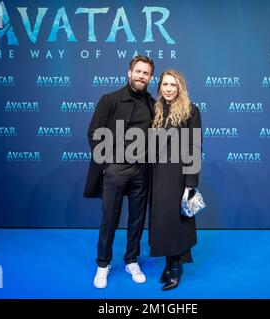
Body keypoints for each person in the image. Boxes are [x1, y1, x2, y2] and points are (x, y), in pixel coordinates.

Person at [84, 56, 156, 289]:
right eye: (138, 71)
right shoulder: (110, 99)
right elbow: (94, 133)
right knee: (109, 219)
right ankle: (103, 264)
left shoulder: (153, 104)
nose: (141, 76)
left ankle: (131, 260)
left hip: (141, 170)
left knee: (137, 219)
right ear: (129, 72)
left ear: (150, 77)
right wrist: (108, 165)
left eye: (146, 73)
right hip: (115, 170)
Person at [149, 69, 202, 291]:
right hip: (157, 173)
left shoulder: (191, 111)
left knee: (177, 220)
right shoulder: (155, 109)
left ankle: (176, 266)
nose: (169, 89)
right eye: (165, 85)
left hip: (179, 174)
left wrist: (190, 183)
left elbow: (194, 146)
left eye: (173, 85)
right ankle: (169, 261)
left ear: (180, 87)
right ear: (159, 87)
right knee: (162, 220)